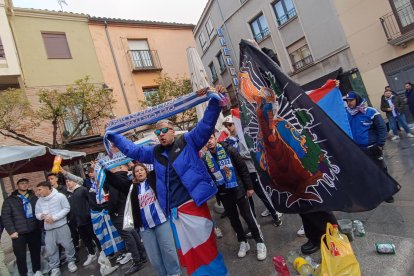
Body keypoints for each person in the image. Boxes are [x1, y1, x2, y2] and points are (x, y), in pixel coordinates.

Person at [106, 85, 228, 275]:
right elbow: (133, 150)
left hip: (194, 207)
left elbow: (206, 125)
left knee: (207, 250)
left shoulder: (188, 141)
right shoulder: (154, 153)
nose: (160, 135)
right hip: (174, 213)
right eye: (157, 133)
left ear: (172, 130)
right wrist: (114, 136)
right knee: (188, 256)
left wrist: (215, 101)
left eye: (164, 130)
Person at [107, 162, 181, 276]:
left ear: (146, 171)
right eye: (136, 171)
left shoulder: (154, 180)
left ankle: (175, 273)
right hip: (145, 227)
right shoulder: (132, 187)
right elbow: (117, 182)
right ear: (134, 175)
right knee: (154, 258)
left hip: (161, 221)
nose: (139, 172)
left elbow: (160, 165)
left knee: (168, 251)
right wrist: (104, 170)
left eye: (141, 170)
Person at [203, 134, 267, 260]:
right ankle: (243, 242)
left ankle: (260, 242)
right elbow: (211, 178)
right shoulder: (206, 158)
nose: (208, 141)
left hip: (238, 189)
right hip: (224, 194)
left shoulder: (230, 150)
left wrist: (249, 187)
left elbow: (243, 168)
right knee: (233, 220)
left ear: (215, 138)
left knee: (248, 217)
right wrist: (217, 196)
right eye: (206, 140)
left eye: (210, 138)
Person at [222, 115, 282, 227]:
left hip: (251, 169)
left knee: (261, 193)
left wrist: (237, 154)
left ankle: (275, 215)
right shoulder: (229, 140)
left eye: (230, 124)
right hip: (241, 172)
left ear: (235, 123)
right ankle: (254, 223)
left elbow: (253, 152)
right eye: (226, 125)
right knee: (248, 199)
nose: (228, 127)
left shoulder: (244, 136)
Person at [345, 91, 394, 203]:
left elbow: (382, 128)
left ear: (357, 99)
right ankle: (372, 193)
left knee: (381, 171)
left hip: (372, 148)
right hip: (357, 150)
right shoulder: (346, 113)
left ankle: (387, 193)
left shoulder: (371, 111)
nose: (349, 103)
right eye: (347, 101)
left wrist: (380, 145)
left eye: (351, 100)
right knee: (364, 173)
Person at [103, 164, 147, 275]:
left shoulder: (115, 180)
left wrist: (110, 209)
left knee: (128, 236)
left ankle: (137, 261)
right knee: (132, 233)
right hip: (125, 210)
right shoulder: (125, 178)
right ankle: (142, 255)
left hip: (119, 212)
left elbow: (114, 199)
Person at [60, 168, 102, 267]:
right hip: (76, 222)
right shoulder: (67, 194)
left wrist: (91, 213)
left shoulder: (82, 189)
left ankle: (102, 251)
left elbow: (91, 202)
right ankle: (91, 254)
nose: (68, 183)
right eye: (66, 181)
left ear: (74, 181)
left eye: (69, 181)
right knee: (85, 239)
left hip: (87, 219)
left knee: (94, 236)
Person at [35, 181, 78, 275]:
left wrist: (54, 218)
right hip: (48, 229)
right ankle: (55, 267)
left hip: (61, 226)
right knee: (51, 249)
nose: (38, 192)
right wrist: (41, 216)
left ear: (47, 188)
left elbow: (67, 208)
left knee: (67, 244)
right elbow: (37, 213)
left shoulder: (60, 196)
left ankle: (71, 261)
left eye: (39, 189)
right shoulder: (39, 200)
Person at [1, 178, 42, 276]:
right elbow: (6, 217)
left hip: (33, 230)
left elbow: (39, 211)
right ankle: (23, 273)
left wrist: (39, 226)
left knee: (35, 252)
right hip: (18, 233)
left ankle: (37, 271)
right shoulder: (9, 200)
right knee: (20, 256)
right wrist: (11, 231)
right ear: (17, 185)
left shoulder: (33, 197)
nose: (24, 185)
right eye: (22, 183)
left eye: (26, 183)